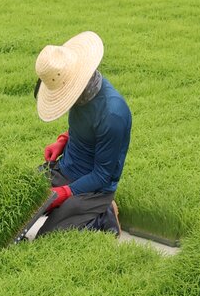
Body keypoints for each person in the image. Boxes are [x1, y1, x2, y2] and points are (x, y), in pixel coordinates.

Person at [33, 31, 132, 237]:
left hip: (94, 188)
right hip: (64, 168)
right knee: (20, 197)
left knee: (49, 239)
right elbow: (87, 128)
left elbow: (103, 175)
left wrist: (65, 193)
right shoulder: (79, 96)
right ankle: (75, 209)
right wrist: (63, 140)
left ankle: (103, 215)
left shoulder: (113, 114)